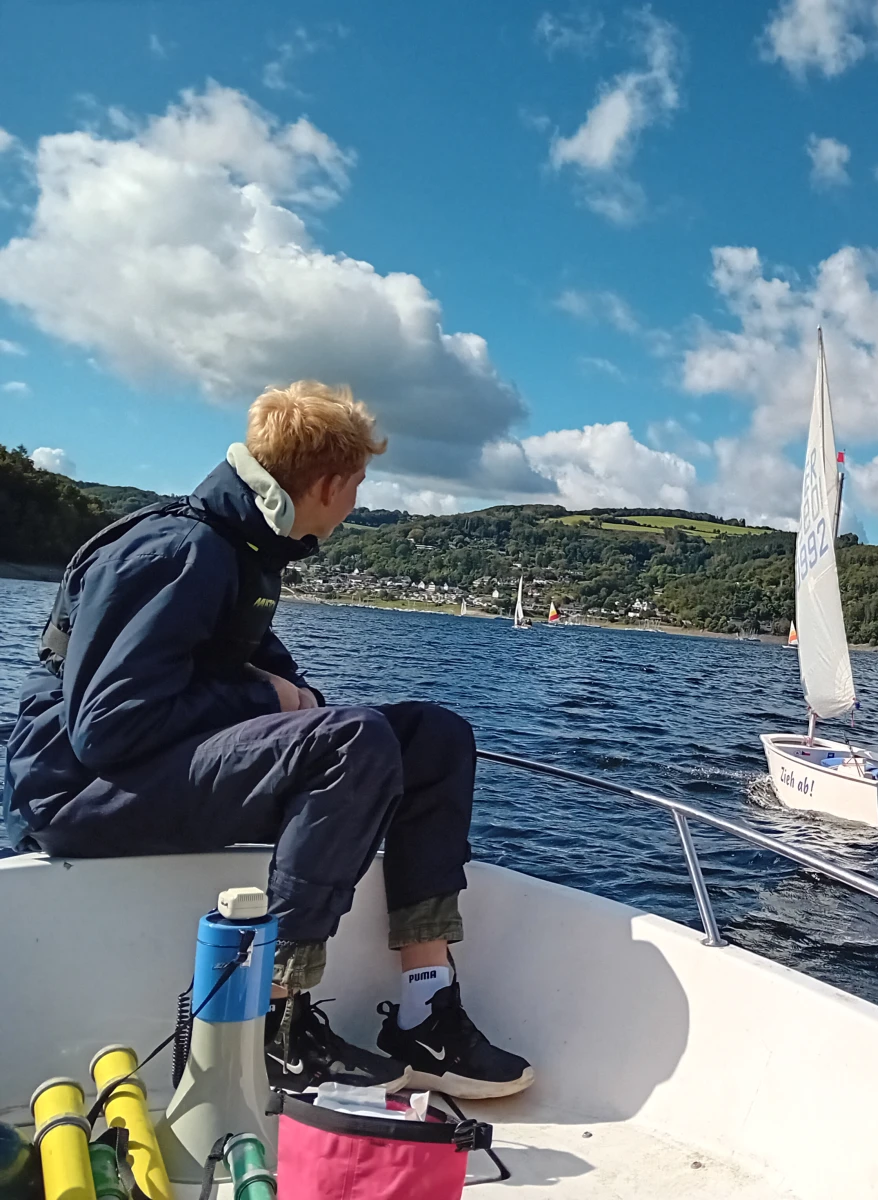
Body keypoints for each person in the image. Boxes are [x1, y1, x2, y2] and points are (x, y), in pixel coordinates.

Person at [2, 381, 532, 1100]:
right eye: (356, 487)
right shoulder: (180, 551)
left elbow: (259, 679)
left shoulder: (243, 552)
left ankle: (426, 1009)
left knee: (431, 738)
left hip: (141, 772)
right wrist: (269, 699)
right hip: (76, 793)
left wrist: (289, 698)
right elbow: (106, 726)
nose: (354, 505)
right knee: (354, 743)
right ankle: (273, 1020)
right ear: (327, 484)